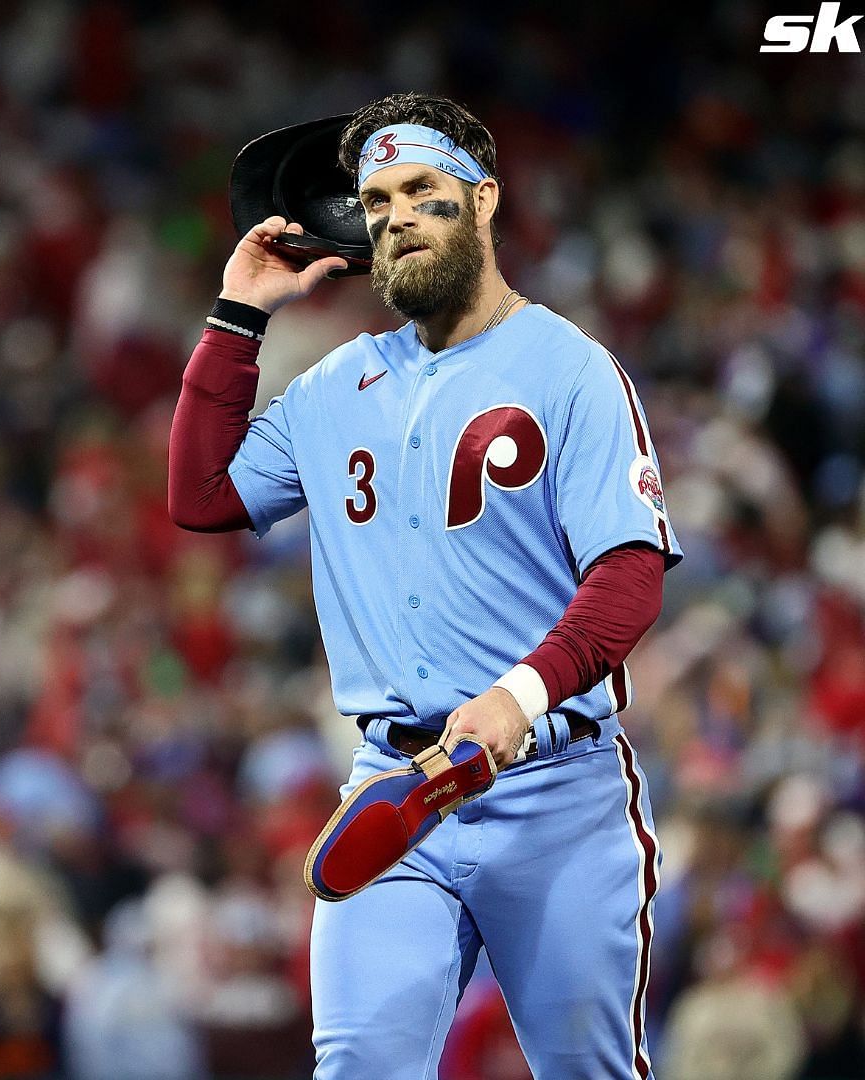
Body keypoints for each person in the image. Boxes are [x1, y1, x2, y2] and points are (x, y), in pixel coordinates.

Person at [167, 93, 680, 1078]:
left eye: (422, 192)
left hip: (557, 794)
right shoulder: (335, 383)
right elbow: (200, 497)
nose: (395, 214)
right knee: (359, 1063)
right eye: (375, 199)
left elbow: (630, 574)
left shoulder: (571, 370)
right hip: (398, 788)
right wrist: (240, 315)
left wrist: (518, 693)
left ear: (483, 203)